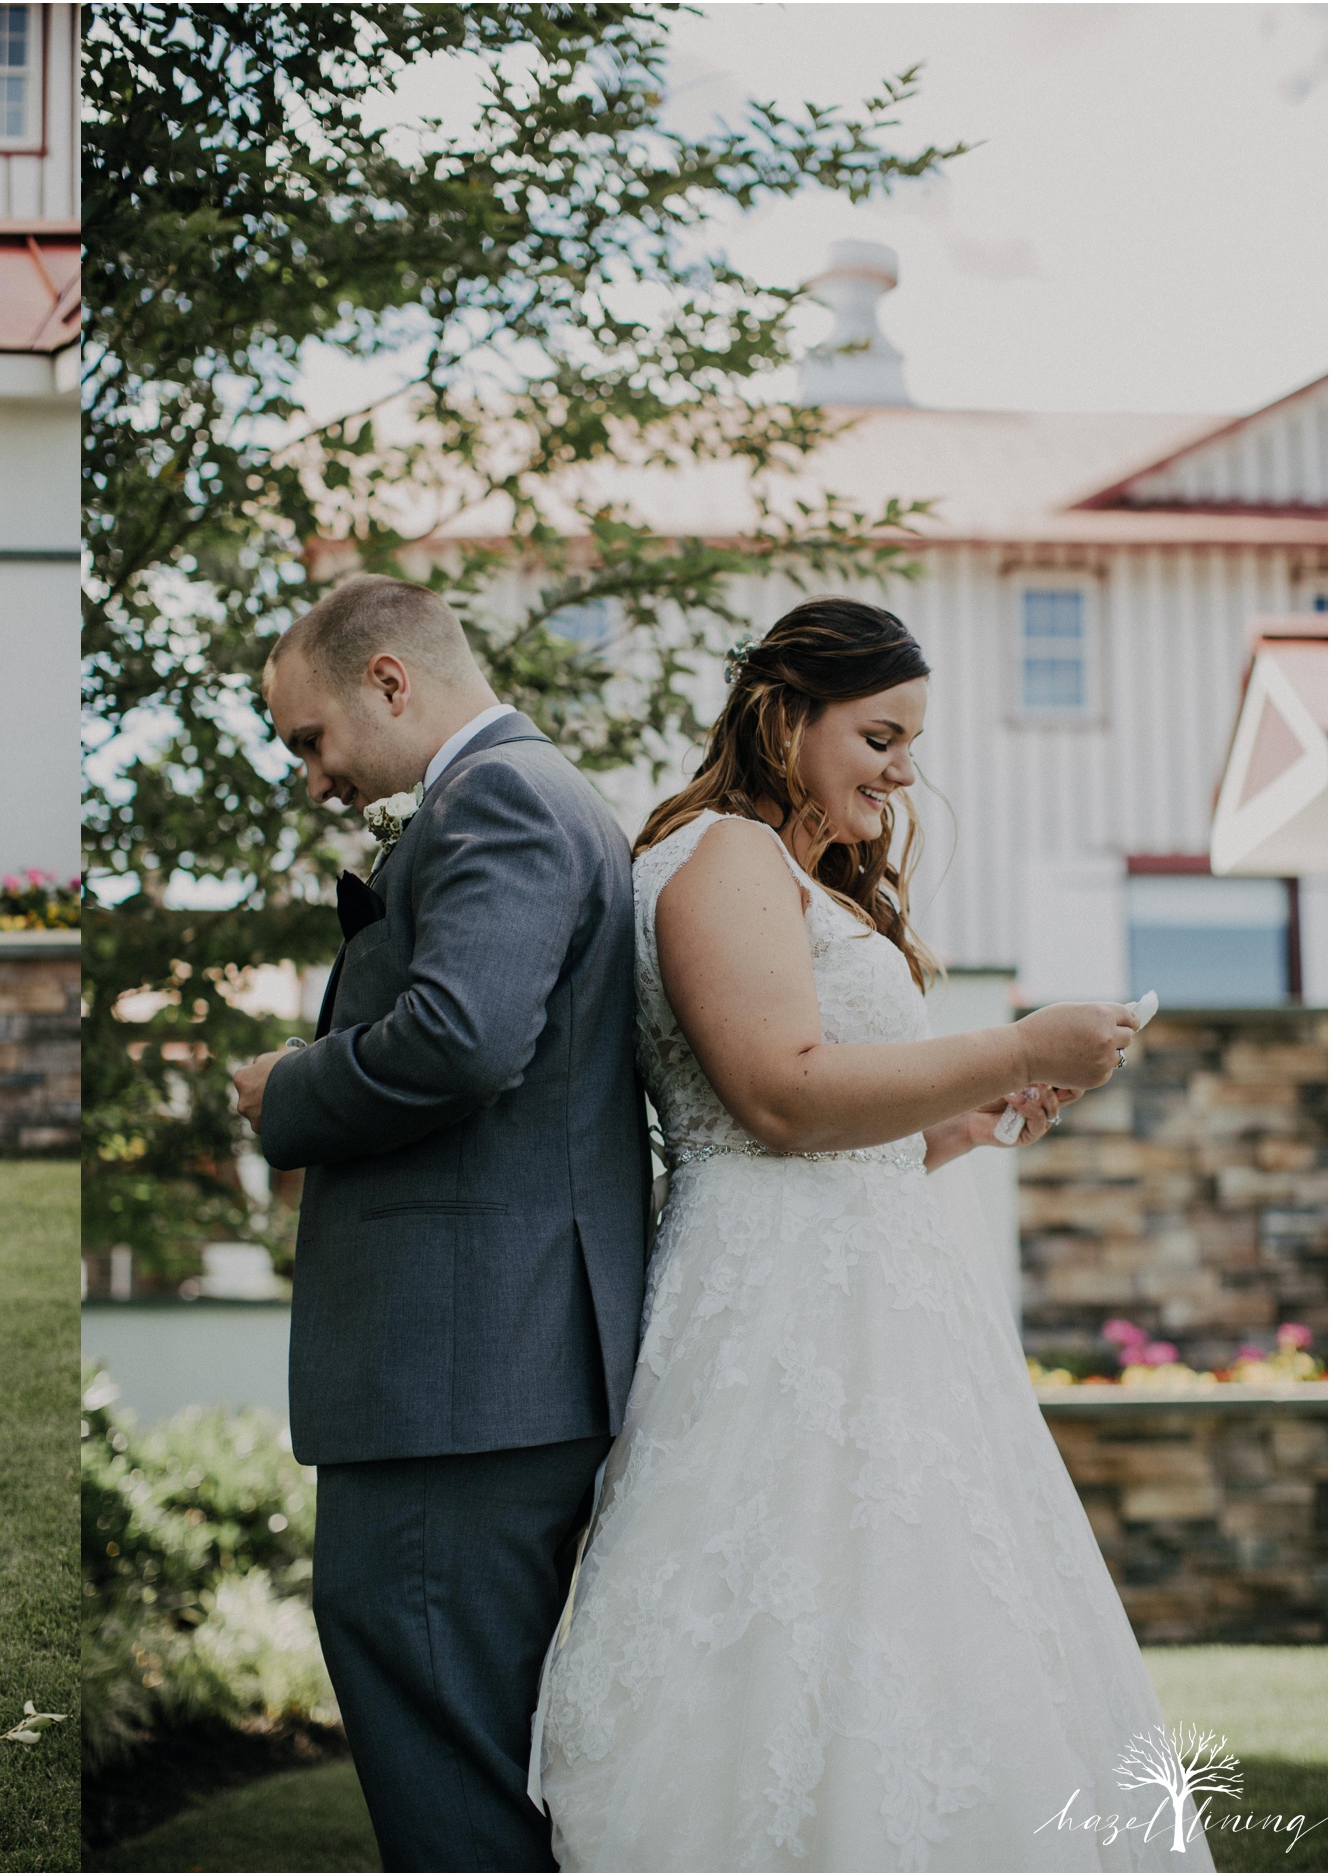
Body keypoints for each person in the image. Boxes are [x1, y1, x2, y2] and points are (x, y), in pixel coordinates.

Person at [532, 598, 1200, 1870]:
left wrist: (987, 1111)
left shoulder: (797, 875)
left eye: (912, 743)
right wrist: (1012, 1039)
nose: (903, 771)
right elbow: (777, 1098)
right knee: (793, 1625)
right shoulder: (725, 856)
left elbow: (856, 1128)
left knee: (921, 1625)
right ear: (785, 717)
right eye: (880, 735)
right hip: (780, 1302)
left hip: (877, 1294)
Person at [233, 574, 654, 1871]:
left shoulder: (504, 800)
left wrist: (283, 1092)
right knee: (471, 1744)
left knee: (445, 1765)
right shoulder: (521, 796)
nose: (312, 777)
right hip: (491, 1369)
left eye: (311, 738)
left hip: (463, 1378)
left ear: (392, 683)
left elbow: (463, 1040)